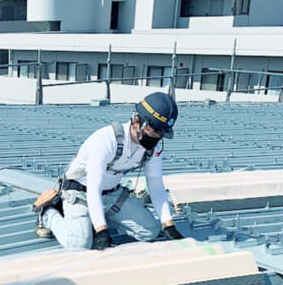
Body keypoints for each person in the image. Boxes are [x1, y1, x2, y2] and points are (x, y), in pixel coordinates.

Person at [33, 92, 185, 249]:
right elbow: (93, 188)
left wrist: (168, 225)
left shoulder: (152, 148)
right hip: (80, 192)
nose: (156, 138)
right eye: (154, 132)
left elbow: (156, 187)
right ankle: (47, 213)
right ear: (137, 121)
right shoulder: (107, 140)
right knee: (79, 243)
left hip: (111, 194)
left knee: (150, 231)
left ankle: (95, 217)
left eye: (161, 134)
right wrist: (101, 231)